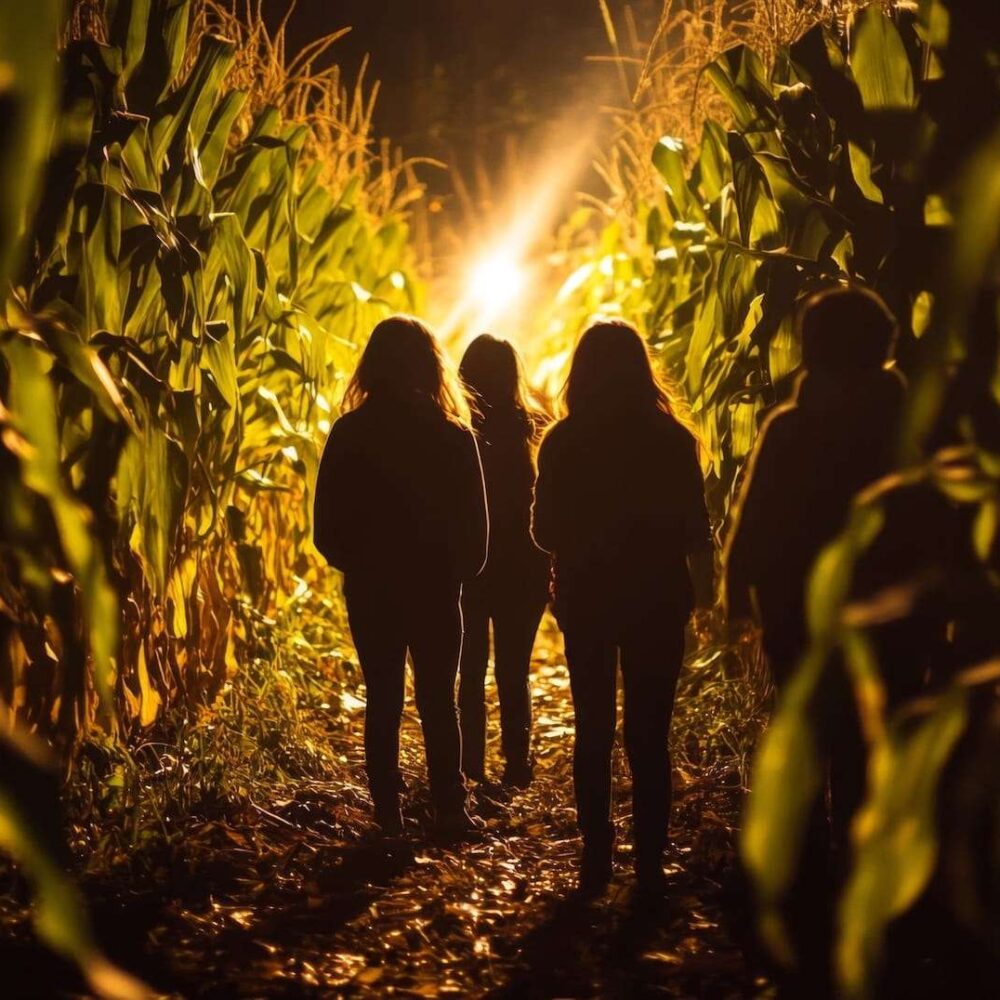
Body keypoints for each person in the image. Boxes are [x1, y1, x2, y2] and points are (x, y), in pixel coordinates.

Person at [723, 284, 932, 994]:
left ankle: (807, 895)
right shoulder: (906, 421)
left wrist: (735, 596)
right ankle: (874, 897)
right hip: (893, 619)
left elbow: (754, 518)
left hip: (801, 617)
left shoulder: (792, 426)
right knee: (875, 751)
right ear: (883, 346)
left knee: (812, 742)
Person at [532, 320, 713, 894]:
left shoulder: (562, 441)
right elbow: (694, 529)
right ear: (642, 370)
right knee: (649, 734)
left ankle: (596, 852)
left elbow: (543, 532)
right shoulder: (673, 440)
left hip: (587, 598)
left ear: (580, 372)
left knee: (593, 727)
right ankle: (652, 861)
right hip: (658, 598)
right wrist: (705, 597)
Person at [312, 315, 489, 838]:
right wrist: (455, 571)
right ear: (429, 365)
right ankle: (449, 810)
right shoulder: (454, 437)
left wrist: (363, 565)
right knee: (439, 698)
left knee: (383, 698)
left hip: (371, 590)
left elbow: (326, 529)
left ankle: (388, 812)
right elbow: (476, 530)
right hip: (436, 589)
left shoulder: (349, 433)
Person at [457, 335, 550, 789]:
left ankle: (469, 765)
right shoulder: (534, 425)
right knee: (514, 670)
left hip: (470, 564)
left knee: (469, 671)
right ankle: (517, 762)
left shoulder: (455, 429)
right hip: (524, 565)